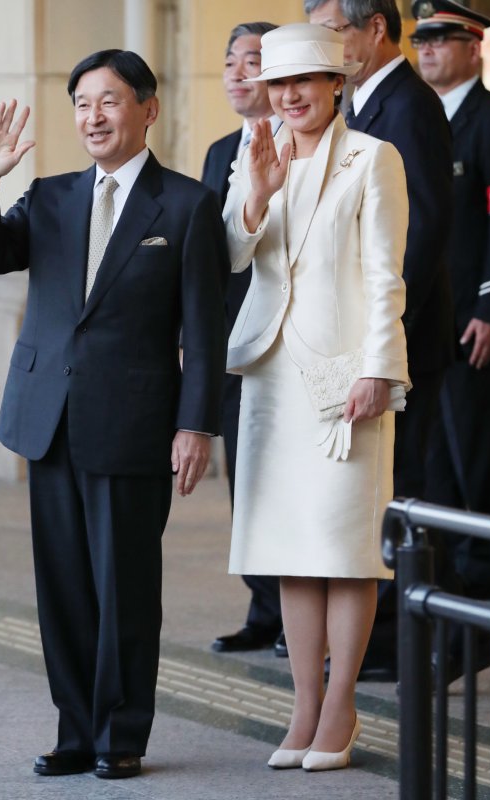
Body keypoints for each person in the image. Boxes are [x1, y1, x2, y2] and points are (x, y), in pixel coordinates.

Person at [0, 50, 228, 780]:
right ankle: (75, 730)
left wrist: (196, 424)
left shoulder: (187, 205)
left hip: (134, 423)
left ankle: (120, 734)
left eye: (108, 101)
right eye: (81, 103)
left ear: (147, 108)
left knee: (125, 588)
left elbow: (204, 330)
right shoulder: (48, 196)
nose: (93, 116)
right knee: (65, 588)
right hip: (47, 421)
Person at [223, 23, 409, 771]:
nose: (290, 95)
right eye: (278, 83)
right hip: (272, 375)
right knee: (289, 549)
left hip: (342, 380)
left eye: (306, 81)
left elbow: (385, 273)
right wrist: (259, 193)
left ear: (337, 83)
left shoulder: (373, 157)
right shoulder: (254, 152)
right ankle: (302, 704)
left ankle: (340, 706)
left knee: (344, 548)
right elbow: (234, 254)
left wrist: (378, 369)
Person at [305, 0, 454, 681]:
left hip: (400, 344)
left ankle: (430, 641)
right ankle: (388, 637)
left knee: (410, 490)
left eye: (335, 29)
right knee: (381, 495)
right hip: (369, 340)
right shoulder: (360, 102)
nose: (329, 45)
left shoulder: (408, 106)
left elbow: (418, 234)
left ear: (374, 28)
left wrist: (381, 338)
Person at [412, 1, 490, 615]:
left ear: (474, 47)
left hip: (476, 327)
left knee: (476, 451)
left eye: (440, 38)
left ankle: (485, 572)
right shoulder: (427, 121)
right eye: (421, 38)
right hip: (433, 326)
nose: (427, 48)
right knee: (435, 458)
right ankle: (451, 574)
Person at [202, 21, 286, 658]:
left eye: (252, 60)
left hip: (287, 344)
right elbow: (204, 257)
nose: (236, 72)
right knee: (247, 479)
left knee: (290, 481)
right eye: (230, 60)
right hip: (231, 343)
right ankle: (264, 607)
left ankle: (300, 612)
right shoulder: (216, 150)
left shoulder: (304, 145)